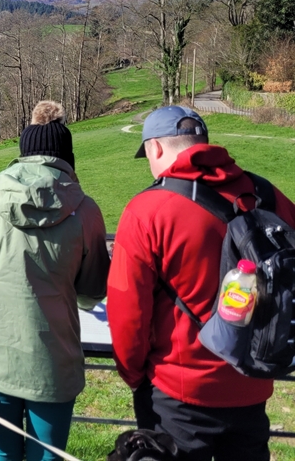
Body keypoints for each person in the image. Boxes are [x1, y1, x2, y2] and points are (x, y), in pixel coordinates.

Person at [107, 106, 295, 461]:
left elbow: (126, 311)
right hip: (253, 382)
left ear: (155, 149)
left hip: (176, 395)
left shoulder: (147, 211)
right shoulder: (269, 196)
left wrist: (134, 376)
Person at [0, 101, 110, 461]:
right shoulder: (86, 211)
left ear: (23, 152)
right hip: (55, 361)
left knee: (1, 456)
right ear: (66, 156)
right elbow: (91, 293)